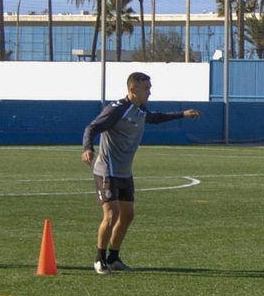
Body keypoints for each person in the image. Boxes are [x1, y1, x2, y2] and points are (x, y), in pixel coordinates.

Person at [82, 71, 201, 274]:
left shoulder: (140, 110)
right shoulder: (117, 109)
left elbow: (155, 117)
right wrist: (88, 148)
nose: (150, 92)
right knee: (111, 215)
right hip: (107, 171)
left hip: (124, 172)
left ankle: (114, 257)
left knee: (127, 216)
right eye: (146, 88)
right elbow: (92, 127)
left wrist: (182, 114)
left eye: (150, 87)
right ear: (132, 89)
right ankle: (99, 259)